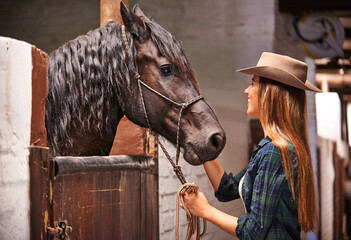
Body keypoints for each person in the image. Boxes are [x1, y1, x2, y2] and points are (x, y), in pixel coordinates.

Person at [183, 52, 320, 239]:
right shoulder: (270, 148)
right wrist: (203, 142)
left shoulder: (276, 152)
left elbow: (253, 231)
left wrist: (205, 211)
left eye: (253, 83)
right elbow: (226, 189)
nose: (246, 90)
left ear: (270, 93)